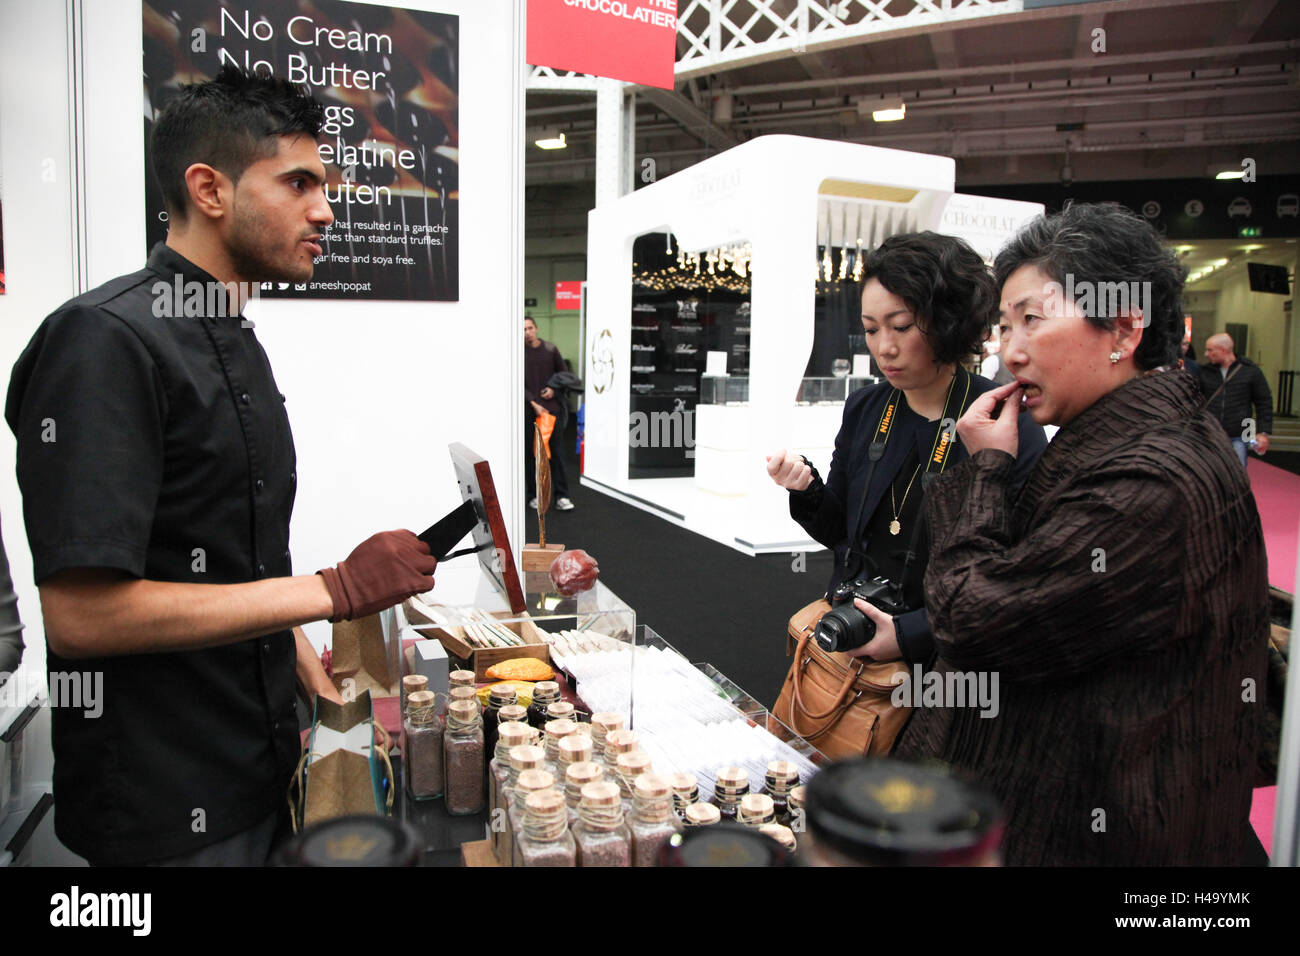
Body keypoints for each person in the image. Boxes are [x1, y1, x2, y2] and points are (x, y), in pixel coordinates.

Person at [4, 67, 437, 866]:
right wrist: (335, 590)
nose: (326, 209)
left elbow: (240, 560)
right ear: (209, 188)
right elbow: (81, 616)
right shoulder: (104, 340)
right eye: (299, 182)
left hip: (264, 760)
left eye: (327, 183)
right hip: (165, 801)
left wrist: (324, 693)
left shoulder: (232, 336)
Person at [896, 202, 1270, 865]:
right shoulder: (1139, 441)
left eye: (1032, 321)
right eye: (1003, 327)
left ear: (1123, 327)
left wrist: (985, 468)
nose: (1008, 352)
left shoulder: (1149, 483)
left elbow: (973, 622)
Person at [767, 232, 1047, 669]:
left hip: (947, 661)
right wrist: (805, 489)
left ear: (948, 321)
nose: (884, 347)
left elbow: (1013, 573)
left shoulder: (1004, 420)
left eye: (900, 327)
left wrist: (912, 633)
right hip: (853, 646)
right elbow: (840, 532)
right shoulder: (866, 408)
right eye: (871, 330)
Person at [1197, 332, 1272, 466]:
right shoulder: (1205, 372)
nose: (1206, 354)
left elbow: (1263, 402)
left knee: (1237, 473)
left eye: (1210, 350)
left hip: (1240, 433)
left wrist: (1263, 432)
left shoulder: (1250, 371)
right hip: (1209, 433)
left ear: (1223, 350)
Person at [525, 315, 574, 511]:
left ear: (536, 328)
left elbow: (563, 375)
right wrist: (531, 402)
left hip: (551, 411)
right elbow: (516, 381)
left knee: (557, 454)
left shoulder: (550, 349)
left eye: (530, 328)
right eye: (523, 329)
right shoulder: (517, 353)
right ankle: (534, 495)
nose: (527, 332)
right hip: (529, 411)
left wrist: (554, 389)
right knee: (532, 455)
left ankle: (562, 496)